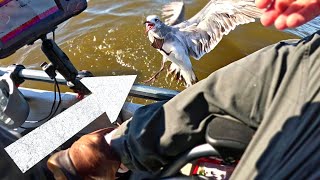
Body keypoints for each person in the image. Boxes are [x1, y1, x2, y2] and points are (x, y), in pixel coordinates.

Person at [47, 0, 320, 179]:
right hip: (306, 66)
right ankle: (114, 148)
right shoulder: (302, 59)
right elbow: (217, 93)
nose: (149, 27)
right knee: (215, 94)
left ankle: (111, 149)